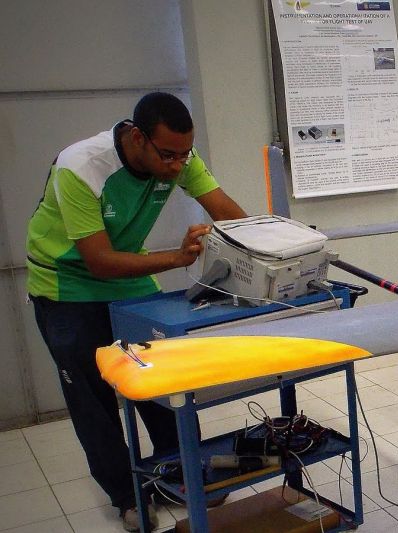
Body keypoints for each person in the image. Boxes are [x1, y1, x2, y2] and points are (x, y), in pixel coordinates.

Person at [26, 92, 247, 531]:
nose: (177, 166)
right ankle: (127, 495)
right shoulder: (81, 167)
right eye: (168, 155)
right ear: (136, 138)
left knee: (165, 382)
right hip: (66, 285)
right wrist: (178, 258)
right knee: (96, 400)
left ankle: (182, 474)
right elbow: (99, 261)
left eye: (185, 155)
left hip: (129, 277)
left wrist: (267, 246)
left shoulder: (179, 155)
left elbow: (224, 208)